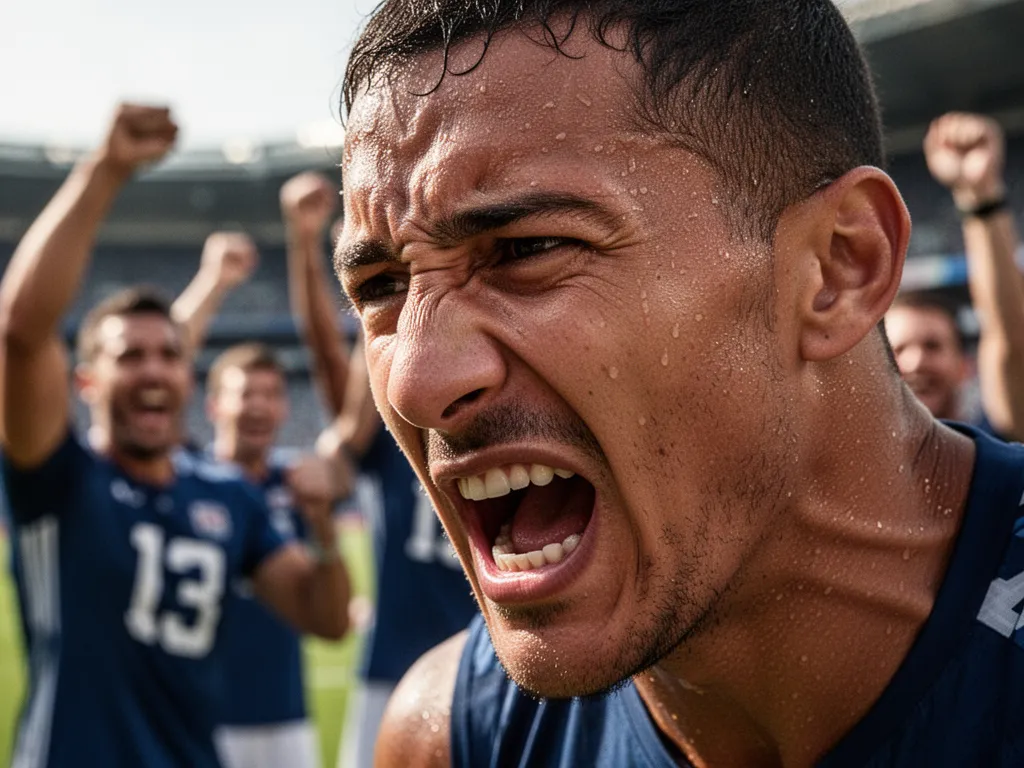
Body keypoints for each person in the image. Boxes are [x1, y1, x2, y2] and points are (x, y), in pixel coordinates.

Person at [333, 2, 1024, 766]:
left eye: (527, 249)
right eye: (379, 287)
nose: (414, 382)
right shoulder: (451, 737)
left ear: (838, 267)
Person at [0, 104, 349, 768]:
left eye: (169, 355)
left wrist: (324, 528)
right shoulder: (59, 478)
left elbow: (325, 618)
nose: (154, 370)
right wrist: (105, 171)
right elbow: (21, 331)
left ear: (189, 377)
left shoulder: (228, 496)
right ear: (86, 383)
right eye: (129, 357)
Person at [279, 172, 478, 767]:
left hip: (501, 671)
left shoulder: (511, 428)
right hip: (395, 674)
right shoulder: (399, 435)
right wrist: (306, 246)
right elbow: (327, 353)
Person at [886, 112, 1024, 439]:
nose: (917, 361)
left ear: (965, 367)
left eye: (933, 346)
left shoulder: (992, 446)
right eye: (899, 350)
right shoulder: (849, 461)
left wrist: (980, 195)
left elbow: (1008, 340)